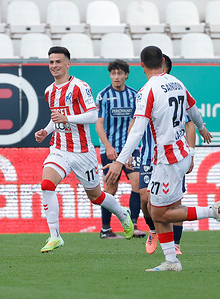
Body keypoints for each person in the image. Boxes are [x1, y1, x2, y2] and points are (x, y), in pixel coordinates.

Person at [105, 46, 220, 271]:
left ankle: (213, 211)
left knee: (157, 212)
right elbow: (193, 110)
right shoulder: (177, 82)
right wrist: (202, 127)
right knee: (165, 209)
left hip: (168, 160)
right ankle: (171, 262)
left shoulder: (147, 91)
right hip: (182, 153)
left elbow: (137, 130)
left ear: (142, 65)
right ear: (162, 62)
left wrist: (119, 161)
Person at [35, 46, 134, 253]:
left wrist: (67, 118)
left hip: (82, 152)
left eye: (58, 62)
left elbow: (91, 116)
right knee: (46, 185)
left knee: (96, 197)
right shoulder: (49, 91)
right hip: (59, 149)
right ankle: (55, 236)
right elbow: (56, 119)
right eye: (51, 62)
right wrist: (46, 131)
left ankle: (123, 214)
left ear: (68, 64)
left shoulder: (80, 87)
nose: (54, 66)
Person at [138, 54, 196, 255]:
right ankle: (153, 230)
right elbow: (136, 125)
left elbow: (190, 122)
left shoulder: (174, 89)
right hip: (148, 154)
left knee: (173, 203)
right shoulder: (147, 93)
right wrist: (126, 153)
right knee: (145, 199)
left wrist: (191, 152)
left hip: (171, 156)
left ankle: (175, 246)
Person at [96, 59, 145, 239]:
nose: (116, 77)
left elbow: (135, 123)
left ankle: (133, 224)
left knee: (138, 184)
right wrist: (108, 146)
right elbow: (99, 125)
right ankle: (105, 229)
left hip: (130, 149)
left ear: (126, 75)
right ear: (110, 75)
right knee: (111, 188)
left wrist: (131, 150)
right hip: (110, 150)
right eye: (113, 73)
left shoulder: (134, 95)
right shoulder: (103, 95)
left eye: (119, 73)